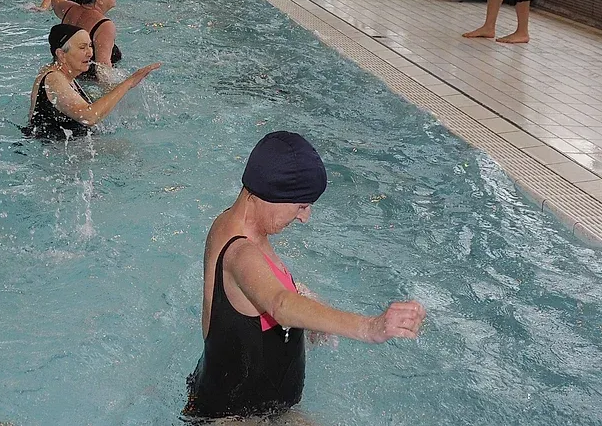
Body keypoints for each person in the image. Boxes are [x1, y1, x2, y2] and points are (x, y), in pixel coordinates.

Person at [183, 132, 427, 421]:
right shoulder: (240, 253)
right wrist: (370, 327)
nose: (305, 217)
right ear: (272, 192)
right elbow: (280, 305)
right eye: (301, 205)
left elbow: (263, 290)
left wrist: (304, 297)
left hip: (262, 405)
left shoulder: (241, 225)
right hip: (230, 415)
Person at [23, 24, 158, 140]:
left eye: (90, 46)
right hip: (55, 153)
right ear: (61, 54)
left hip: (60, 146)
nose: (90, 53)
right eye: (82, 48)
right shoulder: (54, 78)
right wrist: (129, 83)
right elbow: (88, 116)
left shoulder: (60, 74)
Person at [52, 0, 122, 81]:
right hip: (89, 84)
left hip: (65, 74)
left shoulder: (69, 9)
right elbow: (103, 70)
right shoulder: (105, 26)